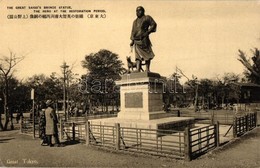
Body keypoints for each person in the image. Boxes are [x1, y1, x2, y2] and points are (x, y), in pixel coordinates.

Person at [130, 6, 157, 72]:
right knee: (137, 56)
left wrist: (148, 32)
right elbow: (133, 31)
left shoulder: (147, 17)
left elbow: (154, 24)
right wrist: (132, 40)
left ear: (143, 11)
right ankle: (138, 69)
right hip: (136, 40)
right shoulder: (135, 21)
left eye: (139, 10)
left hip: (144, 39)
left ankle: (147, 69)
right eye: (136, 11)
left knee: (147, 55)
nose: (138, 12)